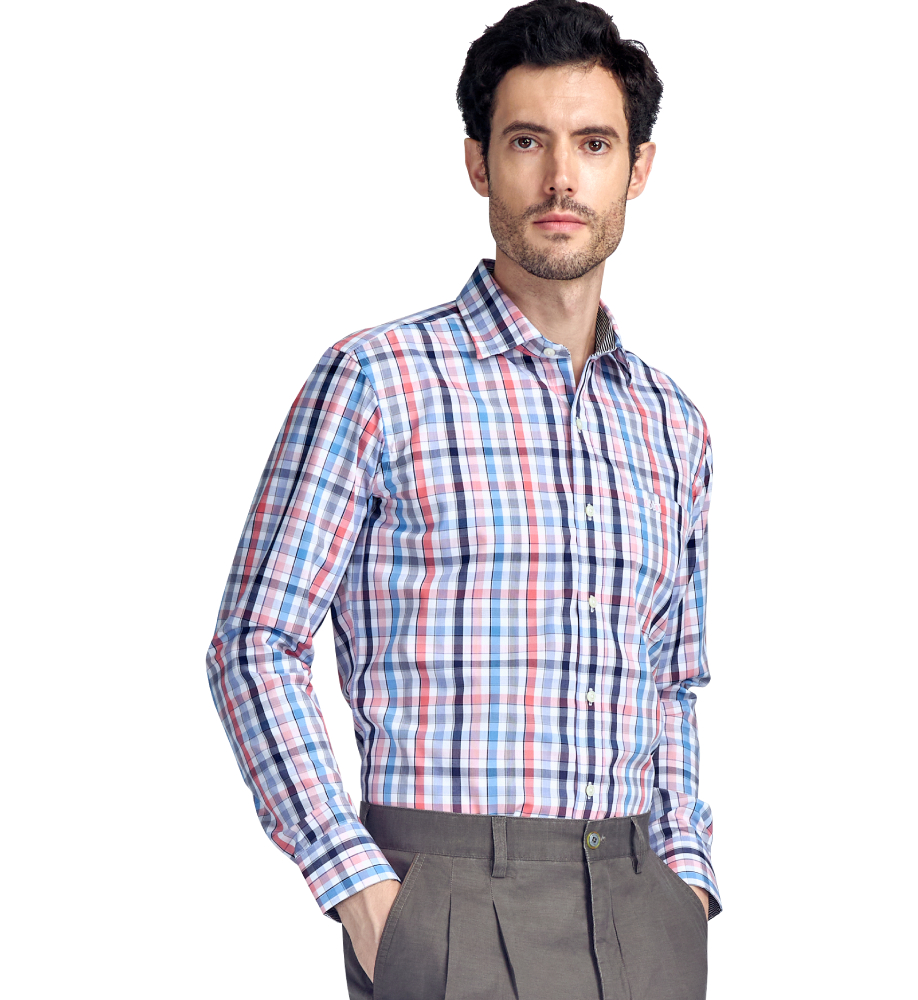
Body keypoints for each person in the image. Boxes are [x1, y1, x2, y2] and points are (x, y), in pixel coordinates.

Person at [206, 2, 722, 996]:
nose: (561, 178)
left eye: (594, 144)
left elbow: (673, 681)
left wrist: (686, 880)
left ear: (638, 169)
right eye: (527, 141)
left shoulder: (674, 424)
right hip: (445, 898)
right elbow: (255, 641)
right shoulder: (377, 379)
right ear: (479, 164)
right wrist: (361, 889)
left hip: (641, 906)